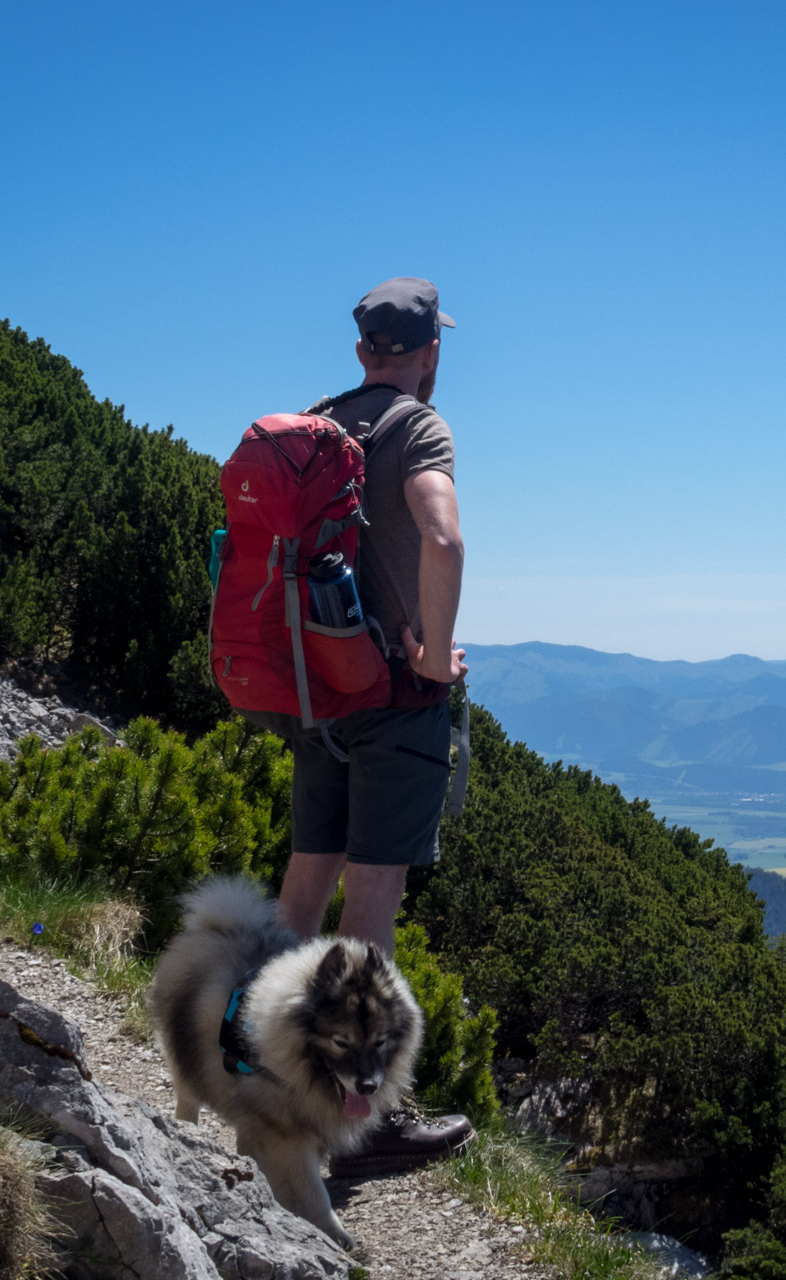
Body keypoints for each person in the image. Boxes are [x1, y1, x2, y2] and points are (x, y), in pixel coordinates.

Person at [274, 278, 474, 1176]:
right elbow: (444, 540)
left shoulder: (318, 422)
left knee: (305, 884)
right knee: (373, 907)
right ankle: (360, 1118)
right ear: (430, 351)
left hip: (317, 692)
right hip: (392, 699)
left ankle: (262, 1067)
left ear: (364, 350)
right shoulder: (419, 427)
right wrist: (433, 654)